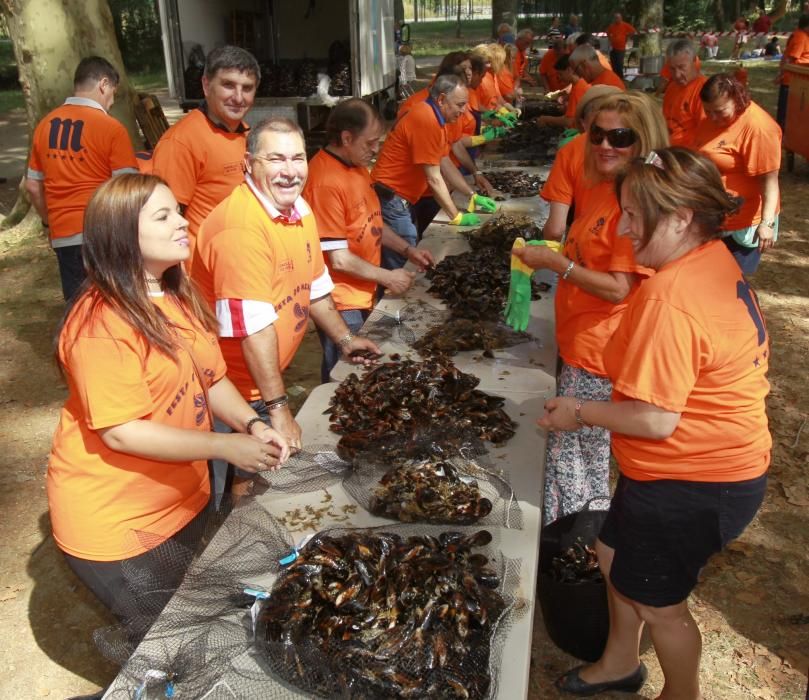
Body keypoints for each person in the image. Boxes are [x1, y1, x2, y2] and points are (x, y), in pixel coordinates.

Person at [542, 147, 770, 700]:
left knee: (659, 604)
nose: (622, 226)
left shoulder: (675, 296)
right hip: (677, 474)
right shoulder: (710, 260)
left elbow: (654, 418)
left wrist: (577, 412)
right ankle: (620, 662)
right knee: (613, 556)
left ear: (680, 217)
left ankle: (682, 693)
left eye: (635, 215)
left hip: (696, 481)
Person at [48, 173, 290, 623]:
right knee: (165, 642)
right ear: (122, 236)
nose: (182, 223)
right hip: (119, 523)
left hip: (181, 504)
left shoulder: (173, 292)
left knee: (194, 615)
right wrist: (223, 446)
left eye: (178, 210)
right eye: (163, 216)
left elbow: (211, 379)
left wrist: (253, 425)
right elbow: (122, 432)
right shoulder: (101, 322)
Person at [191, 118, 380, 498]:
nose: (290, 171)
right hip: (231, 387)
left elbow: (316, 287)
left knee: (260, 470)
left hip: (260, 381)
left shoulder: (299, 210)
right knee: (235, 480)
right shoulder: (242, 228)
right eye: (276, 159)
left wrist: (345, 339)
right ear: (248, 164)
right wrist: (278, 408)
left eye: (297, 158)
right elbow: (254, 331)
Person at [514, 91, 669, 524]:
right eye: (597, 134)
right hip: (581, 347)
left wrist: (557, 264)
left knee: (576, 468)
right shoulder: (604, 187)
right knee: (581, 466)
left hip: (602, 357)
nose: (604, 145)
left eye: (620, 136)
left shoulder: (630, 203)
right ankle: (579, 552)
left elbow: (620, 288)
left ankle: (574, 558)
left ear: (644, 140)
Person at [303, 100, 434, 381]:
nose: (376, 150)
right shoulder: (325, 180)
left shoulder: (357, 167)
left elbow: (372, 222)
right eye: (371, 142)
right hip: (340, 301)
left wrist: (407, 250)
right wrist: (388, 277)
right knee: (344, 375)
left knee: (364, 367)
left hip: (363, 291)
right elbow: (338, 257)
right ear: (347, 138)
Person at [26, 56, 138, 302]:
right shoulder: (111, 128)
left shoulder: (44, 126)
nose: (111, 102)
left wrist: (48, 224)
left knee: (78, 307)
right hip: (103, 232)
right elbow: (128, 188)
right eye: (113, 94)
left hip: (64, 233)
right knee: (115, 305)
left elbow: (33, 186)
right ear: (104, 85)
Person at [371, 74, 495, 269]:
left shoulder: (438, 119)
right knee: (402, 257)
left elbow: (444, 162)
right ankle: (391, 295)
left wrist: (471, 194)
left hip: (401, 198)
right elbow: (434, 178)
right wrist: (455, 215)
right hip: (391, 199)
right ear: (441, 99)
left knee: (408, 249)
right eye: (460, 105)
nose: (463, 111)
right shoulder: (426, 119)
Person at [151, 46, 260, 259]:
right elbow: (163, 221)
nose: (238, 98)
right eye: (228, 85)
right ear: (206, 85)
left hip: (245, 262)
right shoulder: (182, 141)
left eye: (247, 88)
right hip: (203, 274)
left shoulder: (248, 136)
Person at [694, 73, 782, 274]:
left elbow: (769, 181)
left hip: (743, 222)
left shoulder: (759, 128)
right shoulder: (710, 119)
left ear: (737, 100)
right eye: (708, 112)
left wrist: (766, 224)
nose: (713, 118)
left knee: (730, 282)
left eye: (720, 111)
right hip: (713, 217)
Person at [539, 85, 623, 241]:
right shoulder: (641, 149)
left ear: (584, 123)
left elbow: (555, 230)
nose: (605, 146)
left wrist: (548, 255)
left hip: (585, 248)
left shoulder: (570, 151)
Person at [662, 40, 707, 147]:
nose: (677, 75)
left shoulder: (705, 90)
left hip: (688, 155)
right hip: (667, 148)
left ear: (695, 62)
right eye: (672, 69)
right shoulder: (672, 86)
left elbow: (706, 134)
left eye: (682, 67)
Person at [536, 54, 589, 129]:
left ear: (569, 70)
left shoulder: (579, 88)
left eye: (560, 74)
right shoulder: (579, 83)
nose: (559, 78)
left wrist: (546, 119)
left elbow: (569, 121)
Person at [775, 15, 809, 130]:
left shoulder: (802, 36)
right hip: (793, 81)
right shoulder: (801, 37)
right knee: (787, 112)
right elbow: (791, 59)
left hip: (797, 80)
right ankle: (783, 134)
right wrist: (781, 74)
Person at [605, 13, 637, 78]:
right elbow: (607, 32)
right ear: (614, 19)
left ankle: (620, 78)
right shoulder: (612, 26)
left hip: (621, 49)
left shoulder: (625, 25)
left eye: (618, 18)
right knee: (614, 64)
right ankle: (614, 78)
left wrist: (627, 37)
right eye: (616, 18)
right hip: (613, 48)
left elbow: (633, 31)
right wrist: (610, 39)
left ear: (621, 18)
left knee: (619, 64)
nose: (617, 19)